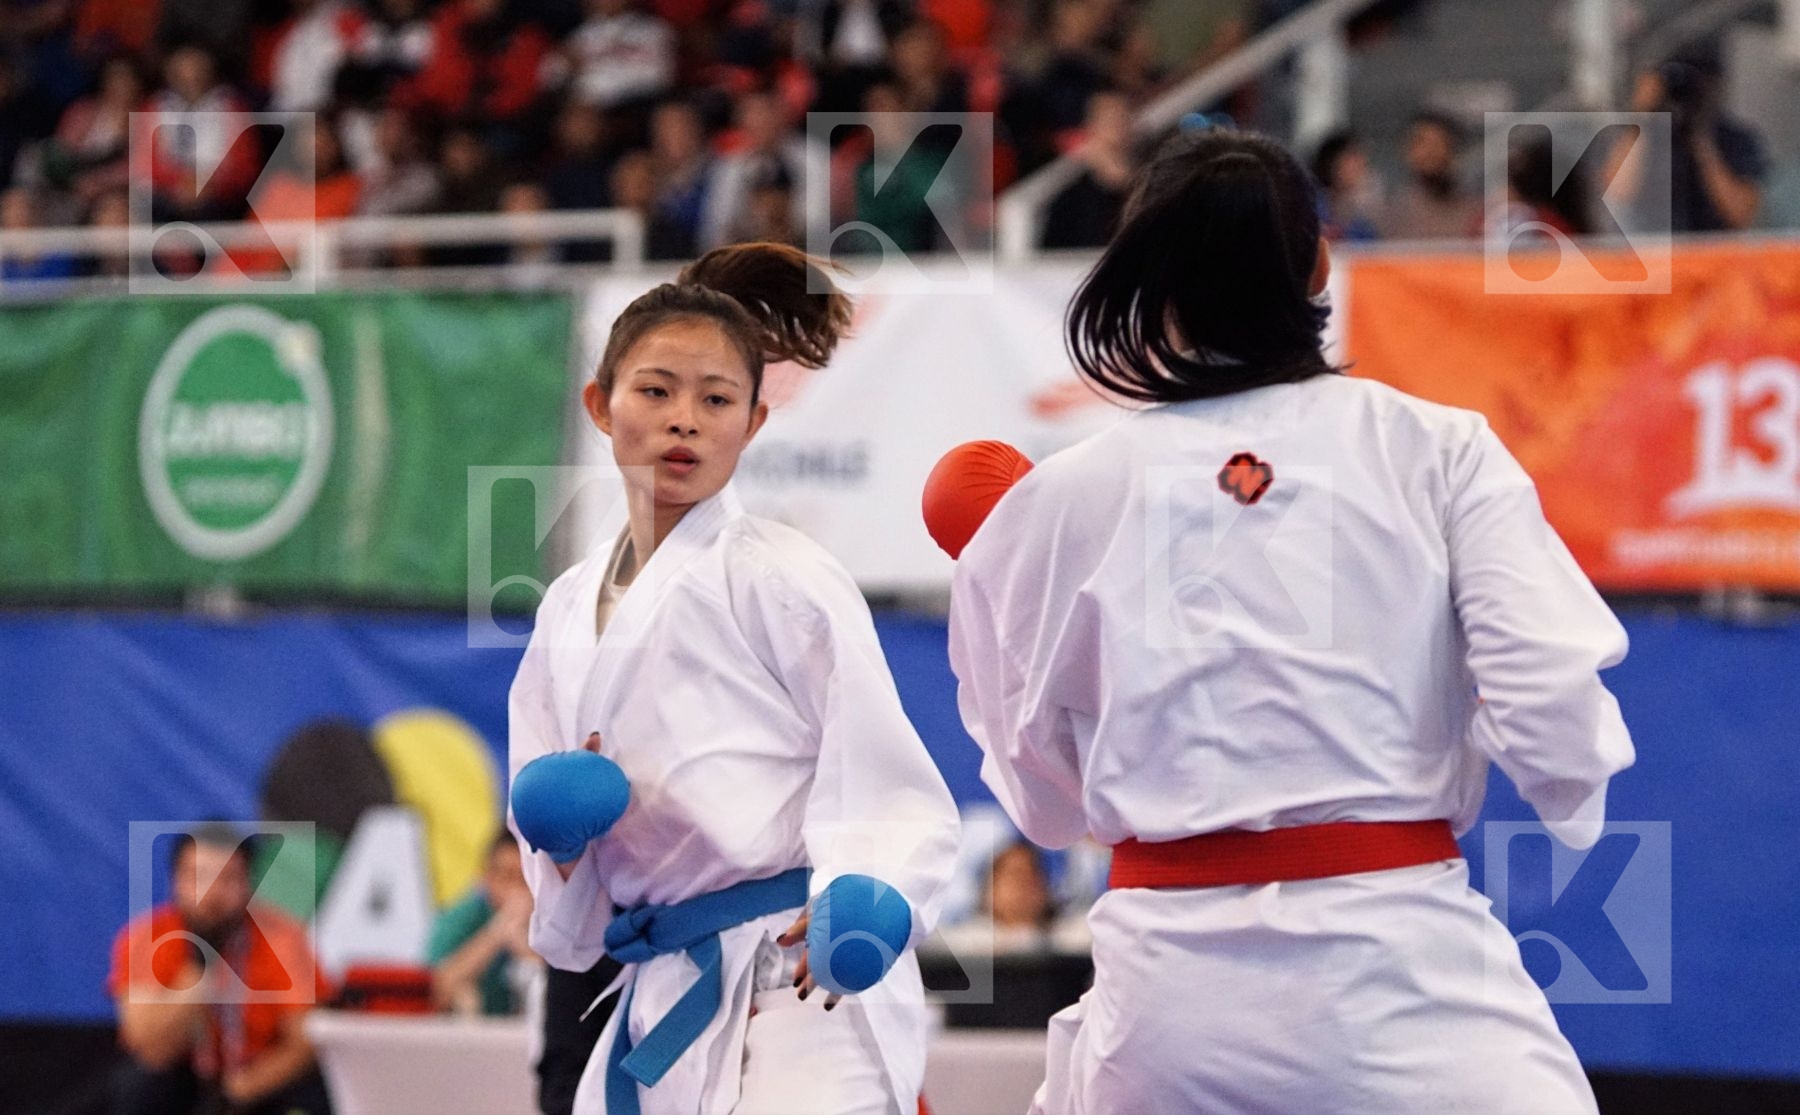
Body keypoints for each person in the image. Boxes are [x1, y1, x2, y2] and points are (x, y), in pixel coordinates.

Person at [939, 127, 1632, 1113]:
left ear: (1151, 284)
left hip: (1168, 991)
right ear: (1319, 262)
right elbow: (1548, 689)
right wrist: (1567, 786)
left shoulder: (1059, 499)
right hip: (1403, 966)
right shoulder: (1436, 449)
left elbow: (1038, 791)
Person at [506, 241, 961, 1115]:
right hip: (660, 979)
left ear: (753, 422)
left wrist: (869, 892)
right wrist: (560, 841)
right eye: (656, 391)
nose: (685, 419)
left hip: (798, 972)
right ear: (600, 405)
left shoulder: (783, 577)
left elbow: (886, 777)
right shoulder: (565, 606)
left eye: (715, 399)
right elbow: (567, 915)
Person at [108, 822, 333, 1115]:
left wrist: (241, 1090)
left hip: (257, 1076)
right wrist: (200, 968)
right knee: (139, 1084)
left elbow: (304, 1043)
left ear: (248, 884)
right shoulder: (145, 938)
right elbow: (148, 1045)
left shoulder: (283, 938)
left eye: (228, 879)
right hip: (185, 1073)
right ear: (176, 881)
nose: (212, 894)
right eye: (199, 878)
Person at [428, 833, 540, 1015]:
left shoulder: (551, 919)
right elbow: (436, 991)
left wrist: (527, 949)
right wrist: (496, 934)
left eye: (525, 879)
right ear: (487, 878)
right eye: (507, 876)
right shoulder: (461, 918)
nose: (516, 889)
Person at [1380, 109, 1481, 240]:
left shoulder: (1477, 213)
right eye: (1422, 143)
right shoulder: (1387, 214)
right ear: (1408, 151)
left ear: (1454, 151)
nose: (1430, 152)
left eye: (1438, 143)